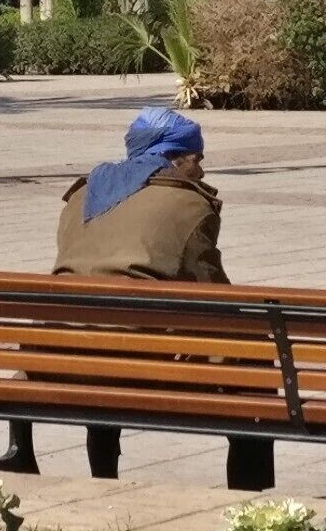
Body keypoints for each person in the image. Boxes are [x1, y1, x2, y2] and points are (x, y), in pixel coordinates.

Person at [53, 106, 271, 488]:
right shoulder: (189, 203)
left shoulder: (81, 196)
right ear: (173, 157)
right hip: (140, 362)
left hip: (63, 354)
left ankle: (103, 477)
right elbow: (213, 296)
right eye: (196, 159)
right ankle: (248, 490)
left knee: (103, 332)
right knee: (255, 355)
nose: (200, 171)